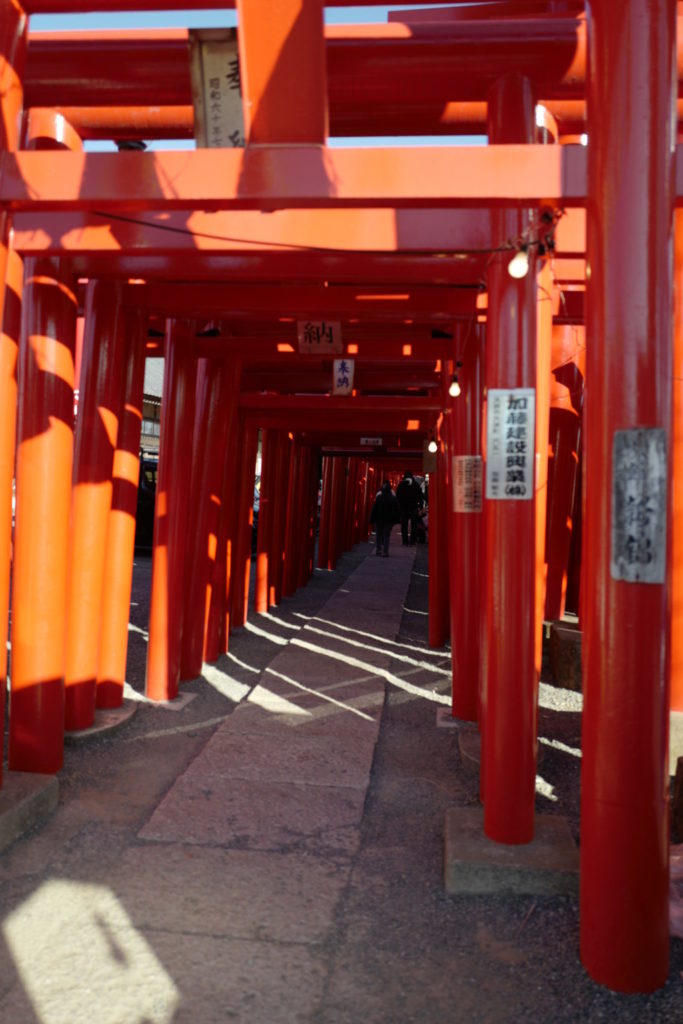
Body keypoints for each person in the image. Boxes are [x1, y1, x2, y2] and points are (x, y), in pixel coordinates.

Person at [370, 480, 400, 557]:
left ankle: (378, 550)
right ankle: (385, 552)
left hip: (379, 519)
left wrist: (372, 519)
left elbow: (374, 509)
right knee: (386, 535)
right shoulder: (393, 498)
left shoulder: (379, 497)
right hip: (389, 520)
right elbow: (396, 510)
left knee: (379, 535)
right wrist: (396, 519)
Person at [395, 471, 424, 545]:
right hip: (413, 507)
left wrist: (398, 507)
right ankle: (412, 541)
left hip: (403, 508)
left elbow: (397, 497)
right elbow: (420, 497)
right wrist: (420, 507)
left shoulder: (401, 485)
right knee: (414, 525)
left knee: (404, 525)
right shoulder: (416, 485)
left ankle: (405, 541)